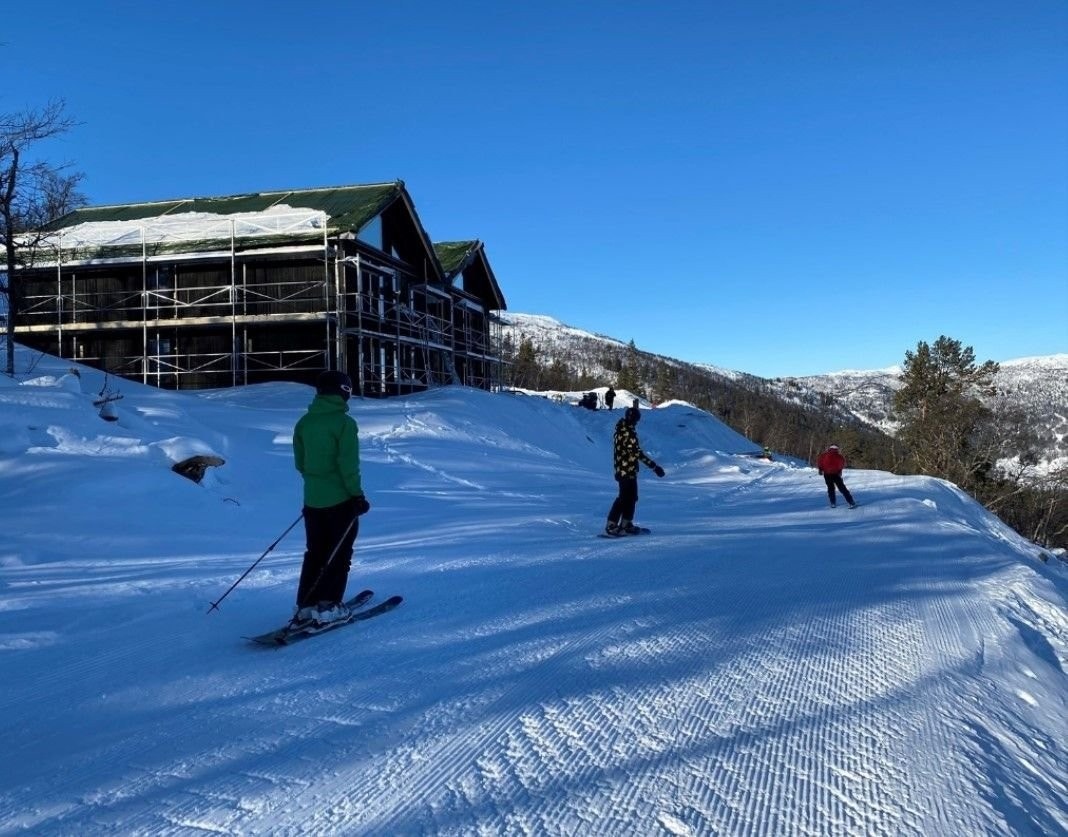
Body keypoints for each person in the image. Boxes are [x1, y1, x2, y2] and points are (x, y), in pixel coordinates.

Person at [292, 370, 371, 625]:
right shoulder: (344, 424)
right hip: (341, 501)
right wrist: (357, 495)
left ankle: (306, 606)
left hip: (312, 500)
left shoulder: (305, 422)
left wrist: (317, 482)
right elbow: (348, 465)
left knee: (315, 552)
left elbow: (300, 463)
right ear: (344, 391)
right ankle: (328, 607)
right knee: (339, 554)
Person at [605, 406, 665, 535]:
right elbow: (636, 452)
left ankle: (626, 523)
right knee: (624, 497)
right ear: (632, 419)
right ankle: (611, 524)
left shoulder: (626, 429)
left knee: (632, 497)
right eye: (636, 420)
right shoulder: (626, 431)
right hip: (624, 470)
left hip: (628, 469)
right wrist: (654, 467)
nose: (636, 423)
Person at [817, 444, 856, 509]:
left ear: (830, 448)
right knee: (842, 488)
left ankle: (833, 503)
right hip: (836, 474)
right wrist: (839, 471)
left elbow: (820, 463)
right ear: (837, 449)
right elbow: (841, 465)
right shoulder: (840, 457)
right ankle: (851, 502)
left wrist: (820, 469)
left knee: (830, 488)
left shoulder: (824, 455)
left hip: (827, 474)